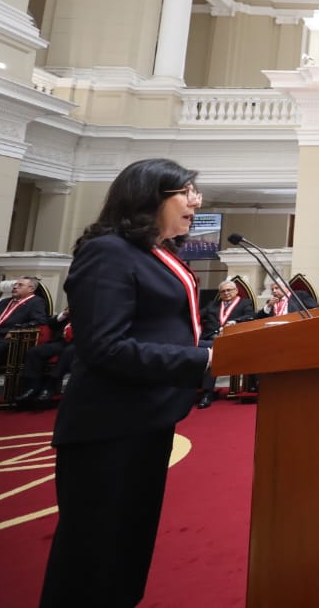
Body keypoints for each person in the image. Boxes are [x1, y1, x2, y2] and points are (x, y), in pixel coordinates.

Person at [40, 158, 213, 607]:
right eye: (186, 192)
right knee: (93, 555)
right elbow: (106, 347)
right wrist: (204, 360)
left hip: (147, 419)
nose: (197, 201)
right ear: (150, 196)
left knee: (127, 549)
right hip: (109, 425)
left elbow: (166, 325)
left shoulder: (156, 252)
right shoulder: (108, 252)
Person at [196, 280, 254, 408]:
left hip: (231, 341)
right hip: (209, 340)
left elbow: (251, 316)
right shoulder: (213, 305)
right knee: (193, 346)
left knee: (212, 353)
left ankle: (207, 393)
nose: (226, 293)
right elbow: (197, 315)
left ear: (236, 291)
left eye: (229, 290)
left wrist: (235, 322)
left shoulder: (244, 303)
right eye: (223, 291)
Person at [15, 308, 74, 408]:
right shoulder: (73, 310)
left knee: (68, 352)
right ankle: (32, 388)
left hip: (79, 343)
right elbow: (51, 324)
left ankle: (49, 388)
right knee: (35, 352)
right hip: (61, 342)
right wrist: (64, 314)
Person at [0, 275, 50, 370]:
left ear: (31, 289)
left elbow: (40, 320)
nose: (15, 287)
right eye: (15, 284)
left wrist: (17, 329)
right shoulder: (4, 301)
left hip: (11, 337)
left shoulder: (36, 302)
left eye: (20, 285)